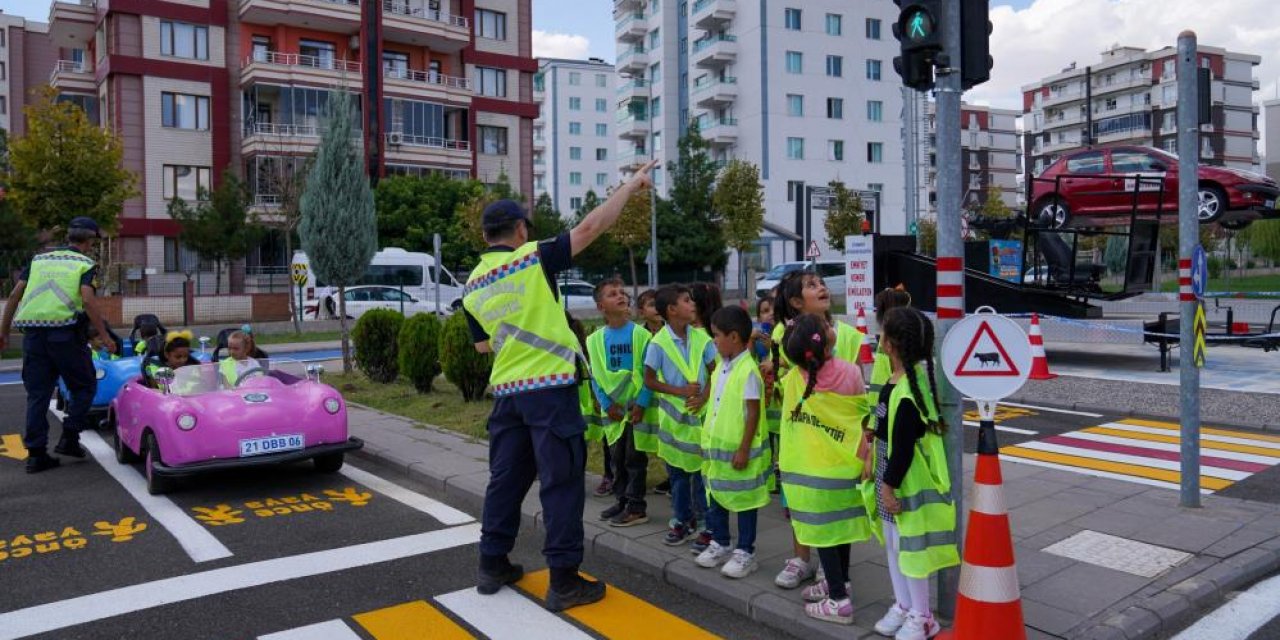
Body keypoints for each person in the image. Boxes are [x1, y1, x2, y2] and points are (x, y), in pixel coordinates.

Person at [461, 159, 657, 611]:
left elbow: (481, 348)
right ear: (520, 230)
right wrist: (629, 187)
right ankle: (564, 580)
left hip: (507, 395)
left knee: (506, 481)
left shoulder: (472, 285)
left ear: (486, 236)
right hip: (549, 390)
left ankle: (492, 563)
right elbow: (591, 227)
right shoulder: (532, 259)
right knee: (562, 481)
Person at [767, 269, 870, 589]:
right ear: (796, 302)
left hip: (838, 442)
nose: (822, 287)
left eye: (821, 283)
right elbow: (781, 380)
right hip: (803, 439)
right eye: (812, 286)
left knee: (837, 505)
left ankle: (832, 570)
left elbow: (860, 391)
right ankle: (801, 559)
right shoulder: (782, 335)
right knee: (800, 499)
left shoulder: (850, 336)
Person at [866, 307, 959, 640]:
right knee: (893, 547)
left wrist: (888, 488)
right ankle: (903, 605)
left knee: (910, 552)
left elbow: (903, 447)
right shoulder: (899, 381)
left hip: (902, 482)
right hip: (889, 476)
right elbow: (884, 430)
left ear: (891, 343)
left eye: (882, 333)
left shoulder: (907, 389)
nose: (878, 338)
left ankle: (922, 616)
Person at [0, 217, 115, 474]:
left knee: (38, 395)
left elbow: (14, 294)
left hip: (33, 338)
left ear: (69, 237)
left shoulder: (38, 260)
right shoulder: (85, 263)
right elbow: (87, 299)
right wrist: (105, 336)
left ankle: (36, 456)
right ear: (90, 240)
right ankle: (69, 438)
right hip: (65, 336)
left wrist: (3, 331)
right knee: (85, 386)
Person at [778, 314, 872, 625]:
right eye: (828, 327)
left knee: (825, 536)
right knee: (840, 530)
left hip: (811, 473)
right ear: (828, 340)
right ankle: (839, 585)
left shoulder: (794, 377)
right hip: (846, 466)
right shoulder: (849, 372)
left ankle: (838, 600)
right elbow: (859, 415)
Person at [694, 305, 770, 579]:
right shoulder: (722, 368)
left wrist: (743, 449)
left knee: (745, 501)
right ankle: (721, 543)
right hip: (718, 453)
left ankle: (745, 552)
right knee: (717, 496)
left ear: (734, 337)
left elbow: (753, 412)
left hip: (739, 453)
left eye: (717, 335)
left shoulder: (747, 370)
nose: (714, 341)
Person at [643, 284, 715, 548]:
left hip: (700, 417)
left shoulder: (702, 338)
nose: (692, 303)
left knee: (701, 475)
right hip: (674, 422)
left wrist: (704, 395)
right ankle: (682, 520)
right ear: (672, 310)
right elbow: (649, 380)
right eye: (686, 300)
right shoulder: (658, 343)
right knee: (678, 476)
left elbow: (716, 370)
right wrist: (679, 390)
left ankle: (707, 523)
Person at [589, 278, 653, 528]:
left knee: (634, 459)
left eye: (622, 292)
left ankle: (636, 506)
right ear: (600, 307)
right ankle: (621, 499)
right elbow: (595, 375)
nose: (620, 296)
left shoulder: (641, 335)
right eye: (612, 294)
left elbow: (649, 373)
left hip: (635, 408)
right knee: (616, 458)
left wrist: (641, 403)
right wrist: (606, 404)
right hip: (613, 410)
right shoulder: (595, 340)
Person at [634, 288, 669, 497]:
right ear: (641, 311)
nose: (656, 308)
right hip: (645, 397)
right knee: (643, 440)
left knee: (669, 439)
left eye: (659, 304)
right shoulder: (639, 336)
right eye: (650, 304)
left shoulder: (671, 332)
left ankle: (671, 477)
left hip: (667, 396)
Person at [867, 286, 914, 406]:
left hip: (880, 399)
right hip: (891, 399)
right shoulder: (894, 336)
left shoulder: (886, 334)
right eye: (908, 307)